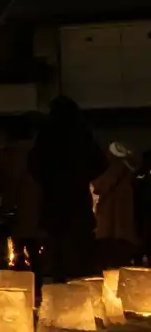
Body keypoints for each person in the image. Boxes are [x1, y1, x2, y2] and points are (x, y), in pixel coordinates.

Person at [30, 96, 106, 282]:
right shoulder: (82, 134)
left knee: (56, 257)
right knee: (78, 257)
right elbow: (100, 164)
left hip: (53, 202)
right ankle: (80, 298)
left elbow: (34, 165)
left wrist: (49, 179)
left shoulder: (46, 135)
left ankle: (57, 297)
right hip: (77, 201)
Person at [0, 115, 42, 270]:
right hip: (36, 211)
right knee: (35, 251)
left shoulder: (6, 155)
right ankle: (38, 284)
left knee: (16, 249)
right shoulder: (38, 153)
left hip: (13, 209)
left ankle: (17, 283)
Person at [93, 142, 139, 269]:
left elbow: (100, 186)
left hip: (113, 228)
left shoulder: (115, 169)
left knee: (111, 264)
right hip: (122, 229)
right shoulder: (128, 173)